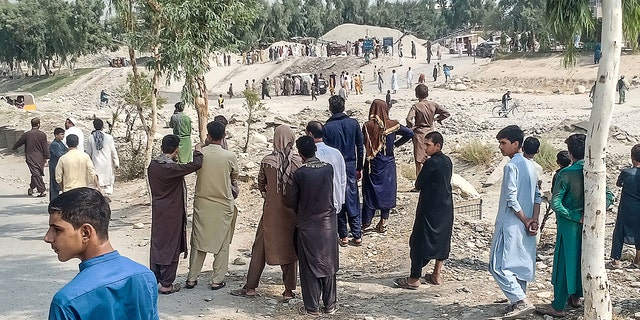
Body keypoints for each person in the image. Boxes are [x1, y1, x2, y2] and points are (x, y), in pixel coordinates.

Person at [44, 187, 159, 320]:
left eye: (57, 230)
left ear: (86, 232)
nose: (48, 237)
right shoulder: (145, 276)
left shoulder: (67, 302)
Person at [231, 125, 302, 300]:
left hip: (271, 213)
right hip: (292, 215)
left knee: (259, 249)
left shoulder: (267, 161)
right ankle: (288, 291)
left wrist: (269, 196)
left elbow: (261, 184)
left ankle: (251, 287)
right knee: (290, 251)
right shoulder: (299, 162)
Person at [489, 125, 541, 319]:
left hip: (510, 221)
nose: (500, 147)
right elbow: (537, 196)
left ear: (516, 144)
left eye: (503, 143)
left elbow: (511, 198)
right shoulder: (531, 165)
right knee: (519, 264)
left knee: (497, 265)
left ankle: (520, 301)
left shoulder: (511, 166)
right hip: (526, 221)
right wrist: (533, 218)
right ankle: (517, 301)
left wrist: (525, 218)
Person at [536, 134, 589, 317]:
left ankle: (558, 305)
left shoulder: (566, 173)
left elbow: (556, 203)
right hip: (590, 227)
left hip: (568, 226)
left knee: (565, 262)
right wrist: (589, 215)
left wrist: (575, 216)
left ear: (570, 152)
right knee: (584, 259)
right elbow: (608, 197)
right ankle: (576, 297)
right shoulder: (594, 170)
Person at [286, 136, 338, 316]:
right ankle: (330, 305)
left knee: (309, 267)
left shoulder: (300, 173)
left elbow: (291, 200)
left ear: (300, 154)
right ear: (315, 150)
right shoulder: (328, 169)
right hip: (328, 224)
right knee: (328, 265)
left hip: (308, 225)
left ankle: (312, 308)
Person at [394, 131, 453, 290]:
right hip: (446, 207)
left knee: (419, 241)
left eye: (428, 145)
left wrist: (425, 166)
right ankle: (436, 274)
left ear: (437, 146)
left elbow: (418, 184)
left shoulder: (431, 163)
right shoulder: (447, 161)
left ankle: (414, 279)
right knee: (442, 240)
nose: (425, 148)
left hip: (429, 208)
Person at [186, 121, 239, 290]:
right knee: (222, 243)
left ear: (208, 135)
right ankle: (217, 280)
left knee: (198, 241)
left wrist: (200, 145)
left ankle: (191, 278)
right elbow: (234, 177)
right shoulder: (229, 156)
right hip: (223, 205)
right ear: (224, 136)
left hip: (202, 203)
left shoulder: (200, 154)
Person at [148, 135, 203, 295]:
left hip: (158, 211)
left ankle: (155, 277)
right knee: (170, 247)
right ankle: (166, 284)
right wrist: (198, 150)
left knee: (158, 244)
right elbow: (196, 164)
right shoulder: (170, 169)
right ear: (176, 149)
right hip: (172, 213)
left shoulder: (153, 165)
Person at [361, 99, 413, 233]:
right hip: (388, 162)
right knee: (387, 192)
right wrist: (395, 144)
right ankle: (383, 221)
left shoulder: (367, 126)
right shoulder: (393, 125)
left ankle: (366, 221)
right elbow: (409, 133)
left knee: (370, 191)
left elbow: (363, 142)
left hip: (372, 163)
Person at [324, 95, 364, 247]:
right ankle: (357, 233)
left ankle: (344, 235)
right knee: (352, 197)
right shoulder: (353, 123)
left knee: (338, 198)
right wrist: (359, 167)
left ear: (330, 109)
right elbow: (360, 148)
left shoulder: (327, 127)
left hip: (334, 166)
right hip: (350, 165)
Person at [306, 120, 347, 236]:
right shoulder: (336, 153)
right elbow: (343, 178)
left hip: (319, 203)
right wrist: (341, 199)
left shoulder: (312, 155)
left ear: (310, 134)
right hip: (335, 200)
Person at [406, 84, 450, 180]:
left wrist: (411, 127)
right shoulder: (433, 105)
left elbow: (409, 119)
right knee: (431, 157)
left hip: (419, 133)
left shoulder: (416, 106)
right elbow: (446, 113)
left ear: (416, 95)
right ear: (427, 93)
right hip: (430, 132)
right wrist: (437, 119)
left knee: (419, 160)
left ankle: (419, 183)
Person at [609, 144, 640, 269]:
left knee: (619, 232)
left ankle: (616, 260)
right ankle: (638, 260)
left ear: (632, 158)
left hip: (626, 207)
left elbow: (618, 184)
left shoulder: (626, 172)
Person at [12, 117, 49, 197]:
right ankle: (42, 190)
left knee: (35, 173)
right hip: (40, 157)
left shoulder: (27, 134)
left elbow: (19, 142)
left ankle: (32, 188)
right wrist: (46, 157)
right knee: (36, 173)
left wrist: (13, 148)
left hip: (30, 157)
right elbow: (45, 147)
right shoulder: (42, 134)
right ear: (39, 124)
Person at [86, 119, 120, 196]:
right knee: (108, 184)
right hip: (107, 164)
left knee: (97, 183)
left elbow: (88, 153)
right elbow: (113, 151)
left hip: (96, 163)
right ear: (102, 126)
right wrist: (116, 163)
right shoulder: (108, 137)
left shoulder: (90, 138)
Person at [49, 128, 68, 201]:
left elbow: (66, 150)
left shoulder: (60, 143)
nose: (63, 136)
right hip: (55, 166)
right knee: (54, 186)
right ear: (56, 135)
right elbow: (60, 155)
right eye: (61, 134)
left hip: (60, 166)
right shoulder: (54, 145)